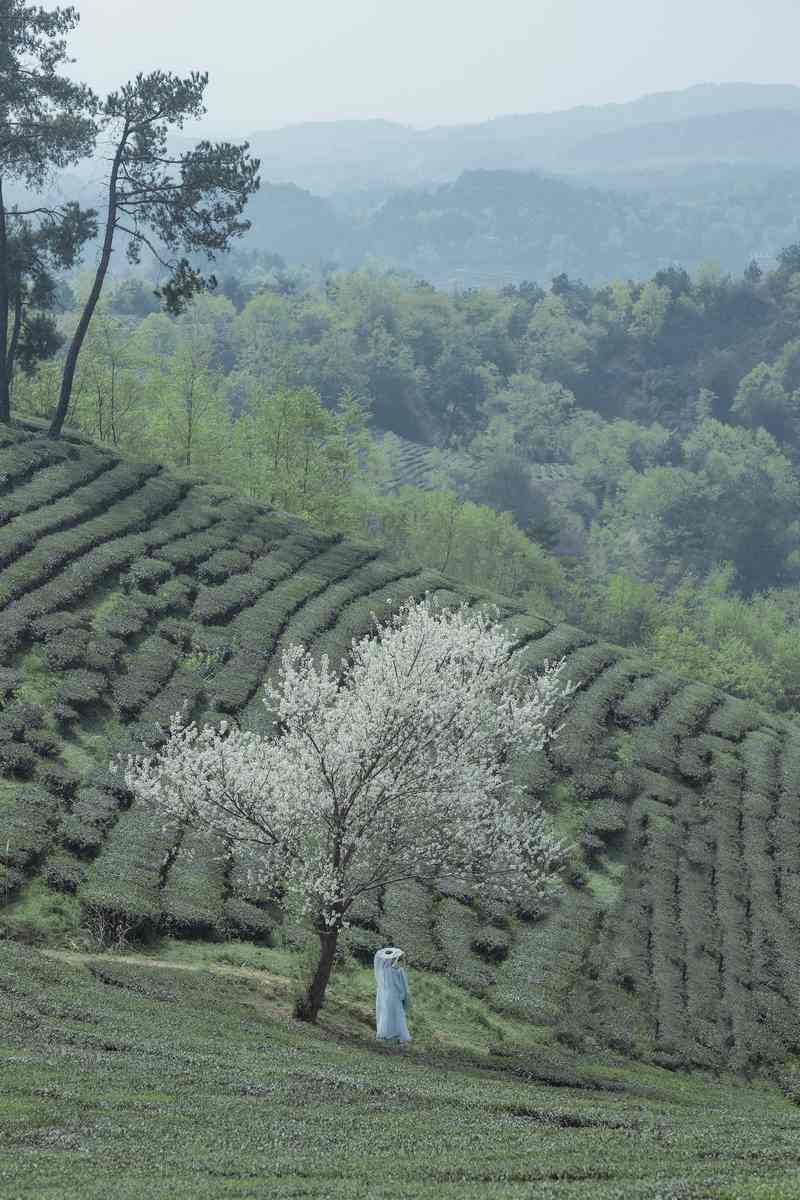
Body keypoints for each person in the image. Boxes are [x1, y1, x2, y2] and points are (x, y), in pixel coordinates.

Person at [374, 946, 411, 1044]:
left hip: (383, 995)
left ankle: (385, 1033)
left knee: (385, 1013)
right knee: (397, 1014)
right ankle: (398, 1034)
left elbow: (380, 985)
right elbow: (400, 986)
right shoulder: (397, 971)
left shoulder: (381, 971)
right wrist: (403, 995)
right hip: (394, 995)